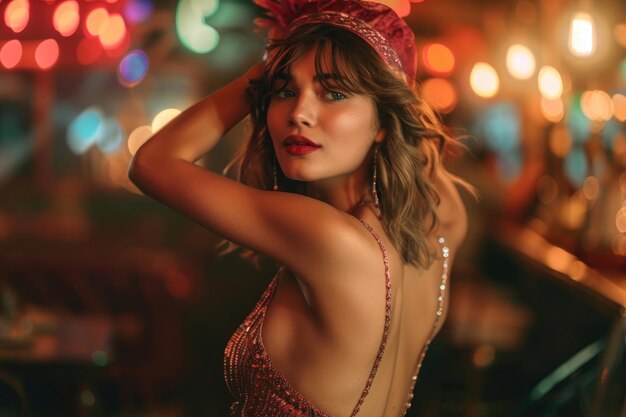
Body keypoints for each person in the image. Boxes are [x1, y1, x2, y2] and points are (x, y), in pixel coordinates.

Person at [128, 0, 471, 415]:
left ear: (383, 123)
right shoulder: (440, 226)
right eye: (285, 90)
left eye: (335, 93)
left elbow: (151, 163)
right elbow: (417, 152)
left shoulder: (326, 235)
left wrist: (268, 65)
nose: (299, 114)